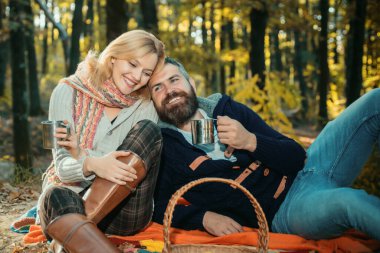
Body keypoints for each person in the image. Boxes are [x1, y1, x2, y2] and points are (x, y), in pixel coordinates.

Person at [148, 57, 380, 241]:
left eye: (174, 80)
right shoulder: (166, 147)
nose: (169, 90)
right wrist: (203, 218)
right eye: (157, 87)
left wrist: (250, 141)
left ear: (192, 85)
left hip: (311, 168)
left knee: (374, 101)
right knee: (350, 202)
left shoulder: (227, 109)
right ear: (152, 102)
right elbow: (154, 207)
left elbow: (297, 156)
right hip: (287, 209)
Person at [38, 30, 165, 253]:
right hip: (73, 199)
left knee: (149, 130)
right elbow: (62, 168)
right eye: (132, 64)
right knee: (55, 194)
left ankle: (71, 235)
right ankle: (84, 237)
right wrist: (94, 164)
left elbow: (131, 167)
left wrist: (83, 155)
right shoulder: (66, 92)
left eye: (146, 72)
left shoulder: (145, 105)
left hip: (124, 210)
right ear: (114, 57)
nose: (137, 77)